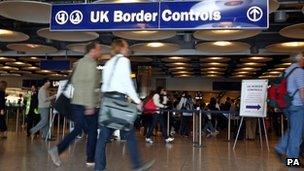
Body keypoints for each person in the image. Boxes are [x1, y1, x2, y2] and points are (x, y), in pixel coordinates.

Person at [95, 39, 155, 171]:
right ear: (120, 48)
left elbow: (103, 84)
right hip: (118, 102)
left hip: (106, 102)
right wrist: (138, 101)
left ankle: (99, 168)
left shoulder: (108, 63)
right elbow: (127, 83)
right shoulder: (124, 61)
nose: (128, 49)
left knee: (102, 138)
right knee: (129, 134)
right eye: (126, 47)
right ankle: (137, 165)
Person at [48, 41, 101, 167]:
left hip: (76, 101)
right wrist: (89, 105)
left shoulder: (78, 63)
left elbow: (76, 83)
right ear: (92, 50)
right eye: (99, 49)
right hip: (86, 103)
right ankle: (90, 159)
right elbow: (89, 85)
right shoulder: (91, 64)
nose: (100, 51)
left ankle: (60, 150)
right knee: (92, 131)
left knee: (79, 129)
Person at [275, 53, 304, 167]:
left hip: (286, 105)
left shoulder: (286, 71)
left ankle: (281, 147)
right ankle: (292, 161)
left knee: (293, 129)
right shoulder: (300, 72)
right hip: (297, 106)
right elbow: (302, 91)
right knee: (297, 134)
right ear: (300, 59)